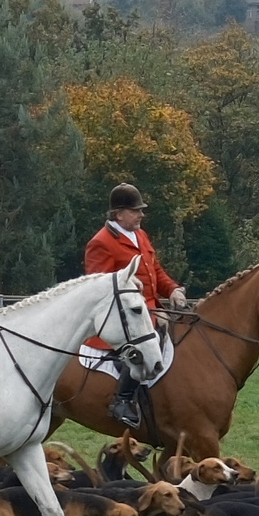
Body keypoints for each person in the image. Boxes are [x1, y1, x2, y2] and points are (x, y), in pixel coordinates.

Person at [83, 183, 186, 429]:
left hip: (149, 312)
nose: (141, 215)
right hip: (123, 319)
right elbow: (97, 286)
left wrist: (172, 289)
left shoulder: (140, 235)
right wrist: (136, 293)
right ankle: (122, 400)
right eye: (136, 211)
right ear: (119, 214)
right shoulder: (101, 243)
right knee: (140, 351)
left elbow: (155, 270)